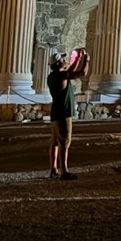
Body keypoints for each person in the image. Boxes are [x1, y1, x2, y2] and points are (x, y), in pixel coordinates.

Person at [48, 48, 88, 180]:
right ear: (59, 63)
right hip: (63, 113)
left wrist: (78, 59)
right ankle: (64, 171)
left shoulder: (52, 76)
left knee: (55, 142)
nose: (65, 61)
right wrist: (84, 60)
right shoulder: (61, 76)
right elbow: (80, 73)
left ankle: (53, 168)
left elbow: (70, 71)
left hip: (55, 113)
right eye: (63, 60)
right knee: (64, 142)